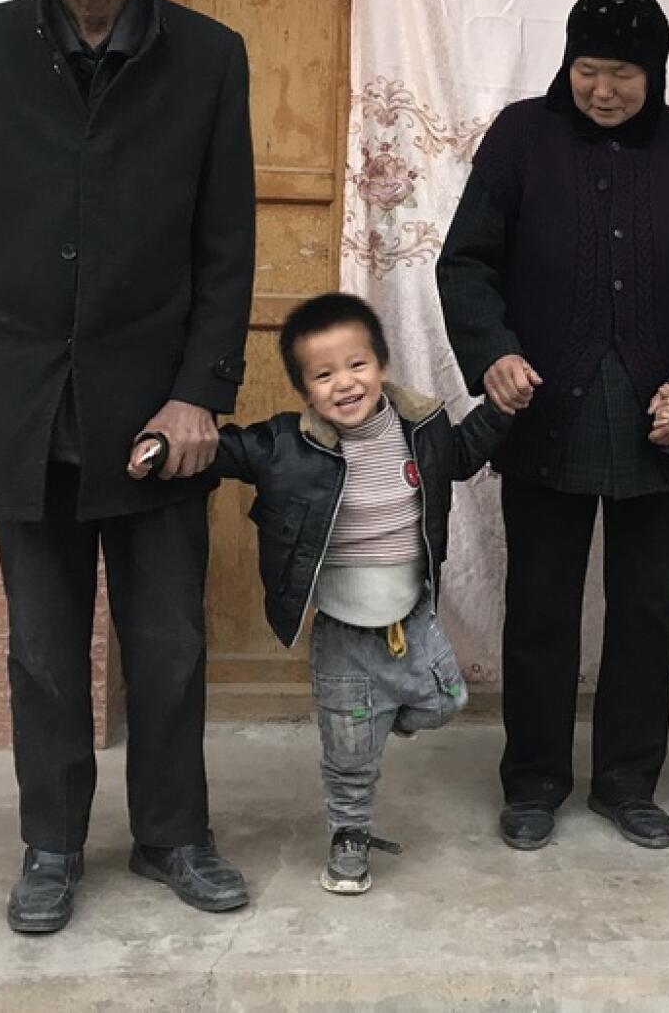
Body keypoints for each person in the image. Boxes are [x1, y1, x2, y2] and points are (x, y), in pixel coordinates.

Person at [0, 0, 256, 934]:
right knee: (44, 649)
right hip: (23, 396)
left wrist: (202, 388)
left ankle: (172, 838)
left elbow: (225, 241)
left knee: (166, 642)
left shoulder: (206, 56)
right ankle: (51, 845)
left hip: (158, 409)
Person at [435, 0, 669, 853]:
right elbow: (465, 264)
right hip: (546, 411)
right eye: (588, 70)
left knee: (646, 608)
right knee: (539, 604)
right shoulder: (520, 138)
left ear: (653, 71)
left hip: (659, 421)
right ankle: (534, 782)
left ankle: (625, 784)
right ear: (566, 64)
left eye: (622, 73)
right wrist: (493, 352)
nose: (604, 90)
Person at [191, 293, 508, 895]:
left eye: (357, 364)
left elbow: (462, 458)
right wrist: (163, 447)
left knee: (448, 700)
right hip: (342, 630)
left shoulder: (423, 425)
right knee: (349, 760)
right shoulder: (287, 445)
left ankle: (373, 723)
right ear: (305, 389)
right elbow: (225, 452)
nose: (344, 383)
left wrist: (502, 410)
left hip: (412, 617)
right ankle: (349, 839)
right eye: (323, 374)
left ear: (381, 364)